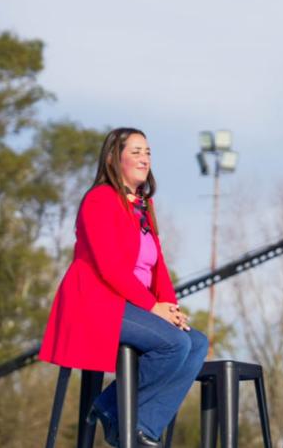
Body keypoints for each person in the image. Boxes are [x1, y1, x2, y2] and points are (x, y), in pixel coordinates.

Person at [40, 127, 207, 447]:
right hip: (95, 303)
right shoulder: (100, 199)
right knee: (174, 345)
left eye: (148, 152)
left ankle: (138, 425)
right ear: (114, 160)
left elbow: (157, 268)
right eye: (136, 152)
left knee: (196, 342)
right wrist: (151, 307)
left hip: (133, 305)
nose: (145, 158)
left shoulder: (144, 206)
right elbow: (109, 267)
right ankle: (112, 410)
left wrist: (171, 309)